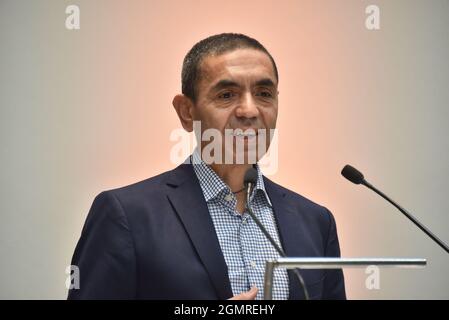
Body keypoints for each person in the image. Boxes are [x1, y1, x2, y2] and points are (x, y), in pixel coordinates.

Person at [68, 33, 346, 300]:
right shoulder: (126, 215)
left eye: (264, 93)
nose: (249, 111)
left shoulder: (315, 221)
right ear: (187, 112)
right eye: (226, 95)